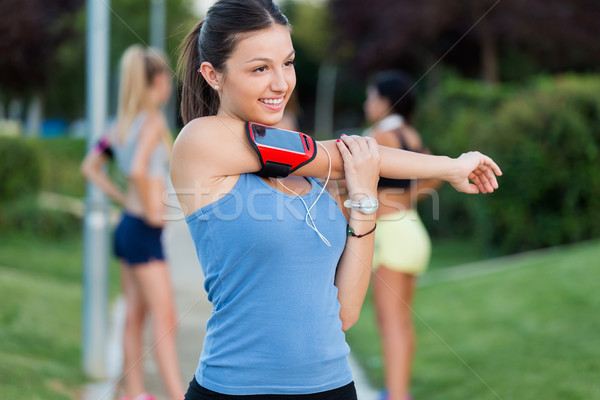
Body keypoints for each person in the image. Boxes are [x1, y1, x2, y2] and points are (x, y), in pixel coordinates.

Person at [171, 1, 501, 398]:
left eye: (288, 63)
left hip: (333, 388)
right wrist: (447, 166)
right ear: (212, 74)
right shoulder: (200, 140)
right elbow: (345, 153)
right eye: (260, 68)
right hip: (235, 389)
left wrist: (365, 202)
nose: (281, 83)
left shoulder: (313, 181)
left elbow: (345, 311)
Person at [81, 45, 185, 400]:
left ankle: (135, 395)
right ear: (156, 81)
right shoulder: (153, 121)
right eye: (167, 79)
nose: (170, 87)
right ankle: (175, 395)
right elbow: (139, 168)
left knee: (135, 317)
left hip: (128, 226)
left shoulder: (119, 125)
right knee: (166, 319)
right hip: (143, 229)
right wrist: (151, 209)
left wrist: (125, 200)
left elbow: (90, 167)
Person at [363, 70, 441, 400]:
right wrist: (403, 200)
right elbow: (437, 172)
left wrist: (382, 202)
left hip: (392, 235)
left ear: (383, 101)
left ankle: (395, 395)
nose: (367, 104)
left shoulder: (380, 135)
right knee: (401, 323)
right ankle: (399, 392)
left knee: (390, 323)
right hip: (411, 228)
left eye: (370, 97)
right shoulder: (410, 133)